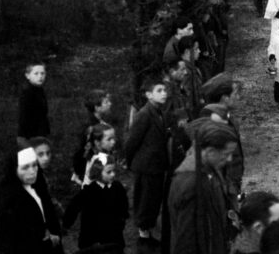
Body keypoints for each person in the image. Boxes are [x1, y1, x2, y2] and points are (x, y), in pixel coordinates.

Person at [168, 120, 239, 254]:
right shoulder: (191, 185)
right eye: (226, 154)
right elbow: (186, 241)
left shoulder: (210, 169)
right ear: (210, 151)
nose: (229, 159)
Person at [125, 77, 169, 247]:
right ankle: (143, 235)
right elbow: (132, 141)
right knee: (145, 200)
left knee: (154, 200)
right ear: (149, 95)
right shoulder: (144, 114)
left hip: (157, 166)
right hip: (146, 166)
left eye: (165, 90)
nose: (164, 94)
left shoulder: (159, 112)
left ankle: (148, 231)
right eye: (159, 91)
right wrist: (131, 163)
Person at [0, 146, 63, 254]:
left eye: (34, 165)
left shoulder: (38, 186)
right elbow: (12, 236)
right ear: (14, 169)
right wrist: (48, 242)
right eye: (25, 167)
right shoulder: (8, 195)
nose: (32, 171)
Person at [62, 154, 129, 253]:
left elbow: (124, 205)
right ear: (98, 172)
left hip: (113, 236)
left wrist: (121, 220)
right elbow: (74, 207)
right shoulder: (89, 191)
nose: (113, 174)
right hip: (91, 237)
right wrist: (65, 225)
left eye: (114, 171)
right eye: (109, 172)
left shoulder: (117, 187)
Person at [71, 90, 112, 185]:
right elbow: (82, 150)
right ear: (97, 107)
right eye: (106, 102)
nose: (110, 104)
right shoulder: (90, 127)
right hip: (90, 169)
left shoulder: (101, 123)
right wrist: (79, 172)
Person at [18, 62, 50, 141]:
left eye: (42, 73)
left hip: (40, 132)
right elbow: (25, 118)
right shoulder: (27, 92)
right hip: (30, 134)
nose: (40, 76)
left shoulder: (39, 90)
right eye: (36, 73)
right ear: (27, 75)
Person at [81, 123, 117, 187]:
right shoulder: (99, 160)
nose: (113, 142)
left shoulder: (103, 155)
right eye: (109, 139)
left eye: (114, 138)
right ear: (97, 142)